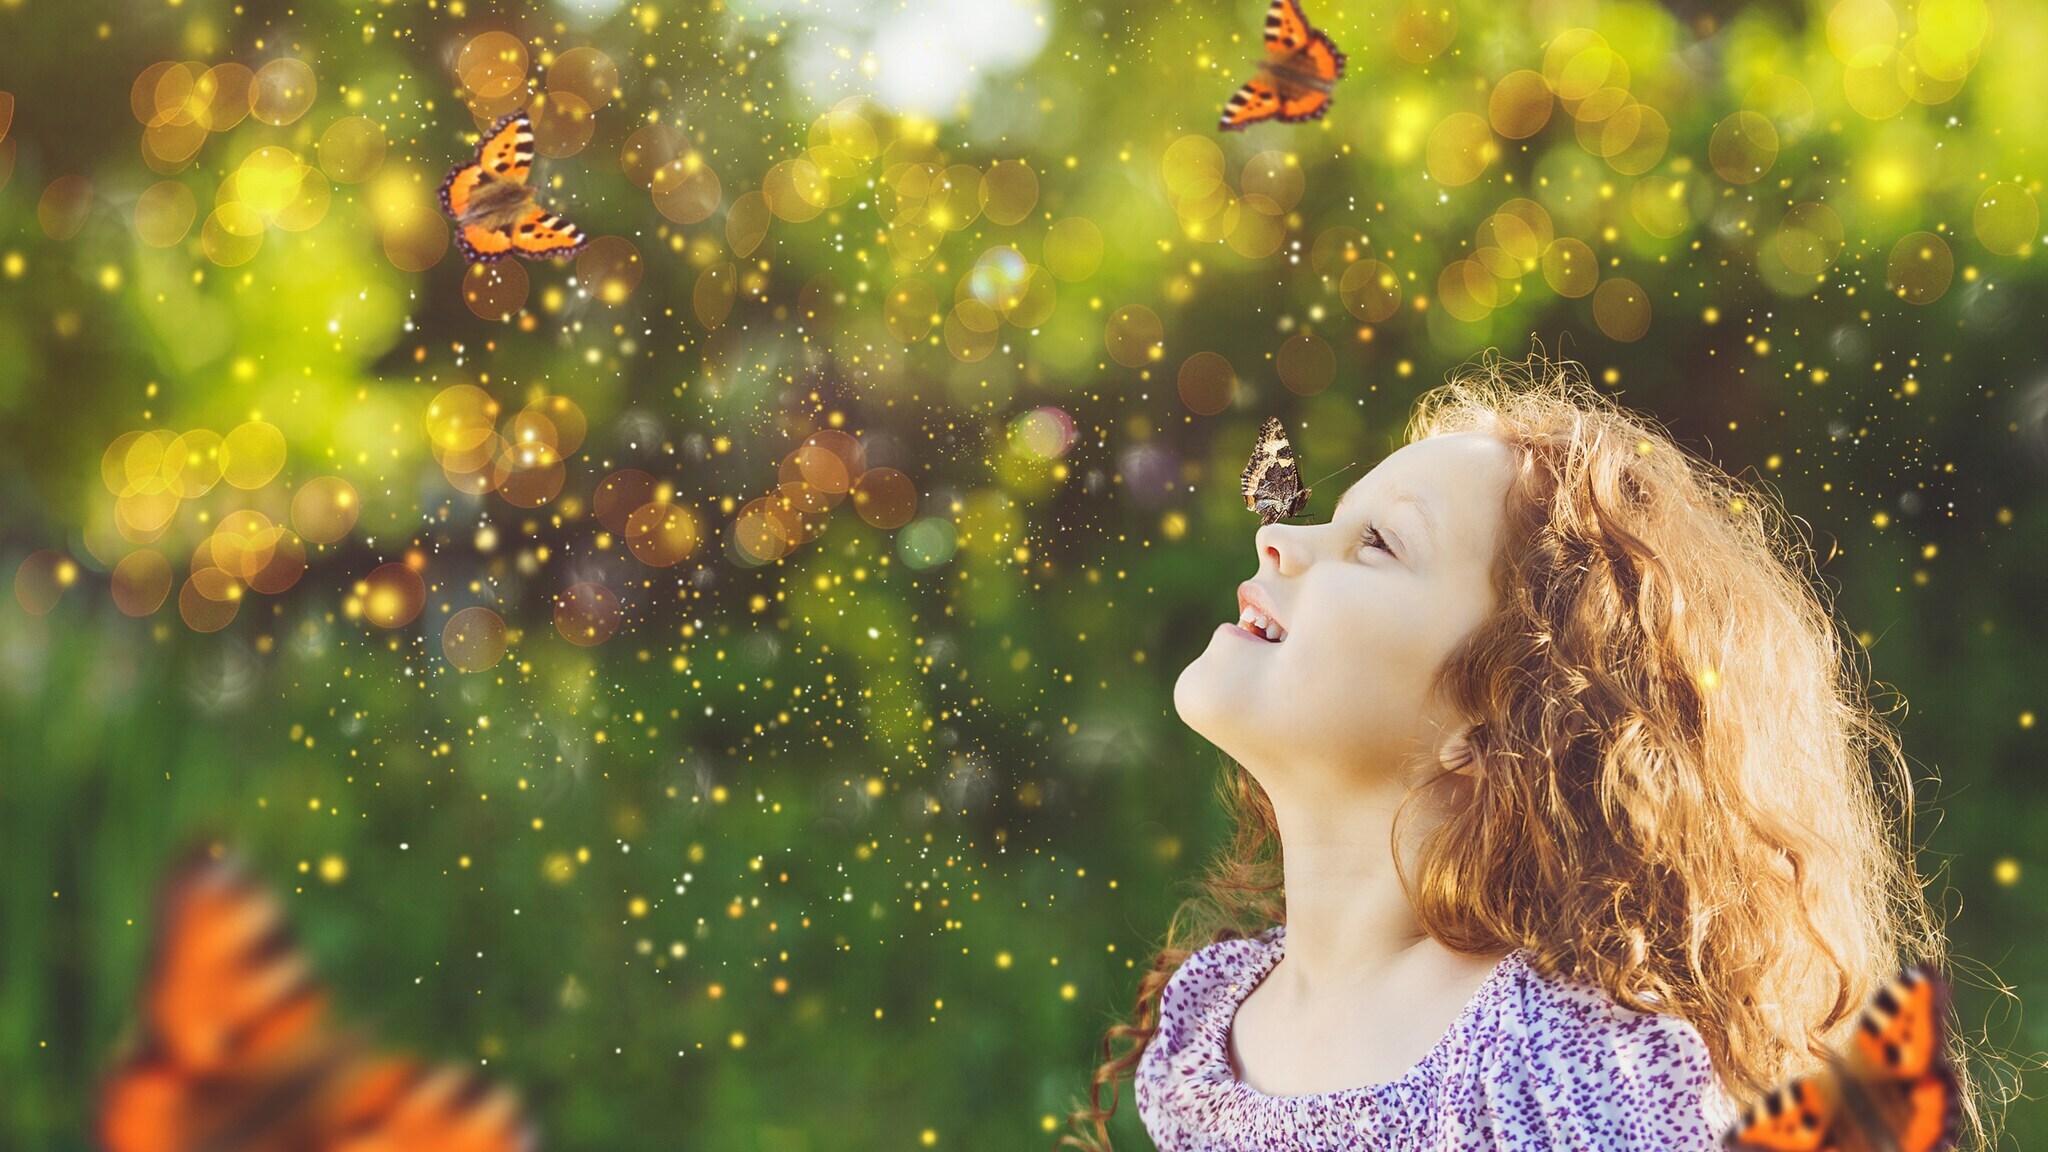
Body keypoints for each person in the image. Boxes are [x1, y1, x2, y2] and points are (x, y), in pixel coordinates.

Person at [1059, 353, 1989, 1151]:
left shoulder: (1565, 1056)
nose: (1276, 537)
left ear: (1500, 717)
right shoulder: (1209, 1024)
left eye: (1376, 543)